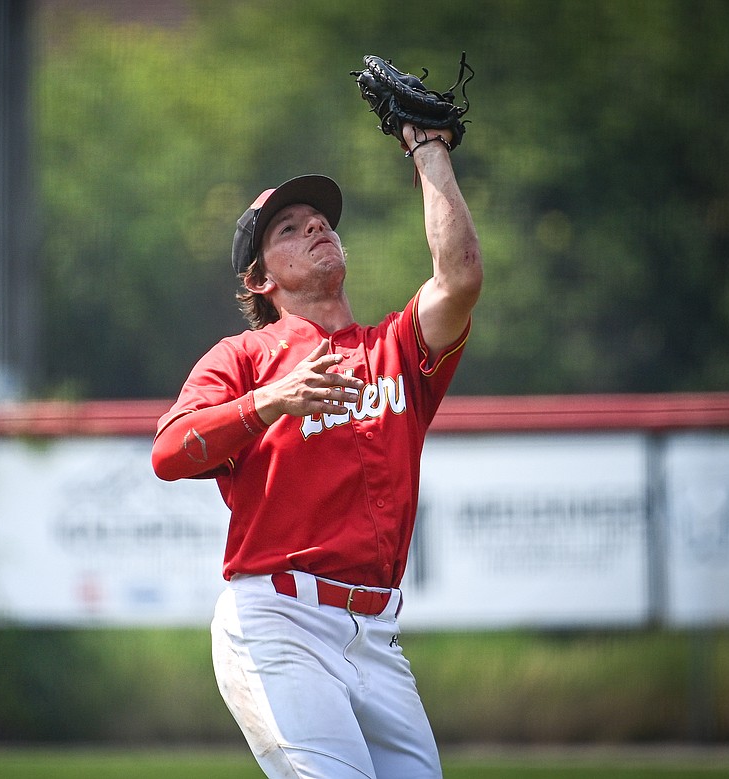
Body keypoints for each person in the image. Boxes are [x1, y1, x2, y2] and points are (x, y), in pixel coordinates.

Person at [150, 121, 482, 779]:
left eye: (319, 220)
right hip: (279, 622)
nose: (314, 228)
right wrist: (266, 403)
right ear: (259, 280)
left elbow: (461, 278)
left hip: (376, 635)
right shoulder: (243, 357)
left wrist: (430, 152)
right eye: (288, 229)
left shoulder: (395, 349)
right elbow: (167, 452)